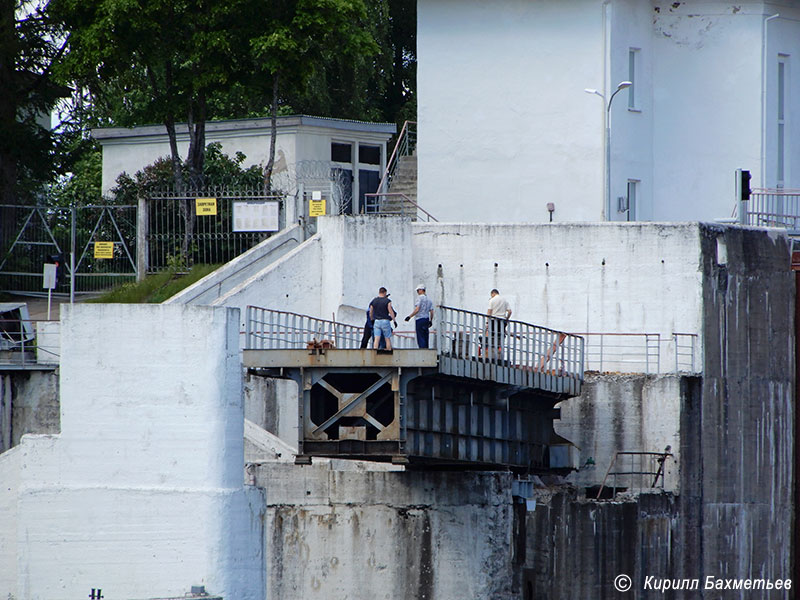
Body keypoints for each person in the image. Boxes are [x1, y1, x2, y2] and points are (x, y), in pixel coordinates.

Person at [405, 284, 434, 348]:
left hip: (420, 319)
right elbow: (432, 311)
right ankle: (427, 351)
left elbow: (417, 309)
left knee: (420, 337)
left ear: (421, 290)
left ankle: (422, 351)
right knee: (426, 336)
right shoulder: (429, 300)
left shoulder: (419, 298)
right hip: (426, 319)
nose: (417, 292)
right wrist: (430, 320)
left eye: (418, 290)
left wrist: (409, 316)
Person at [486, 288, 512, 358]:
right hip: (502, 321)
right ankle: (500, 352)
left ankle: (492, 353)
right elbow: (510, 311)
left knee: (492, 336)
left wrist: (487, 323)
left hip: (493, 321)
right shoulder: (504, 300)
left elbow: (489, 312)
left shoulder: (492, 300)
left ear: (493, 293)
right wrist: (507, 319)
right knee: (501, 337)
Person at [369, 287, 396, 351]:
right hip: (385, 321)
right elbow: (390, 311)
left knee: (377, 338)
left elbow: (371, 312)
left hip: (377, 321)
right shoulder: (387, 301)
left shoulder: (374, 301)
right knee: (387, 338)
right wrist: (394, 320)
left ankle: (375, 351)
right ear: (385, 292)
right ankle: (389, 350)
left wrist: (372, 319)